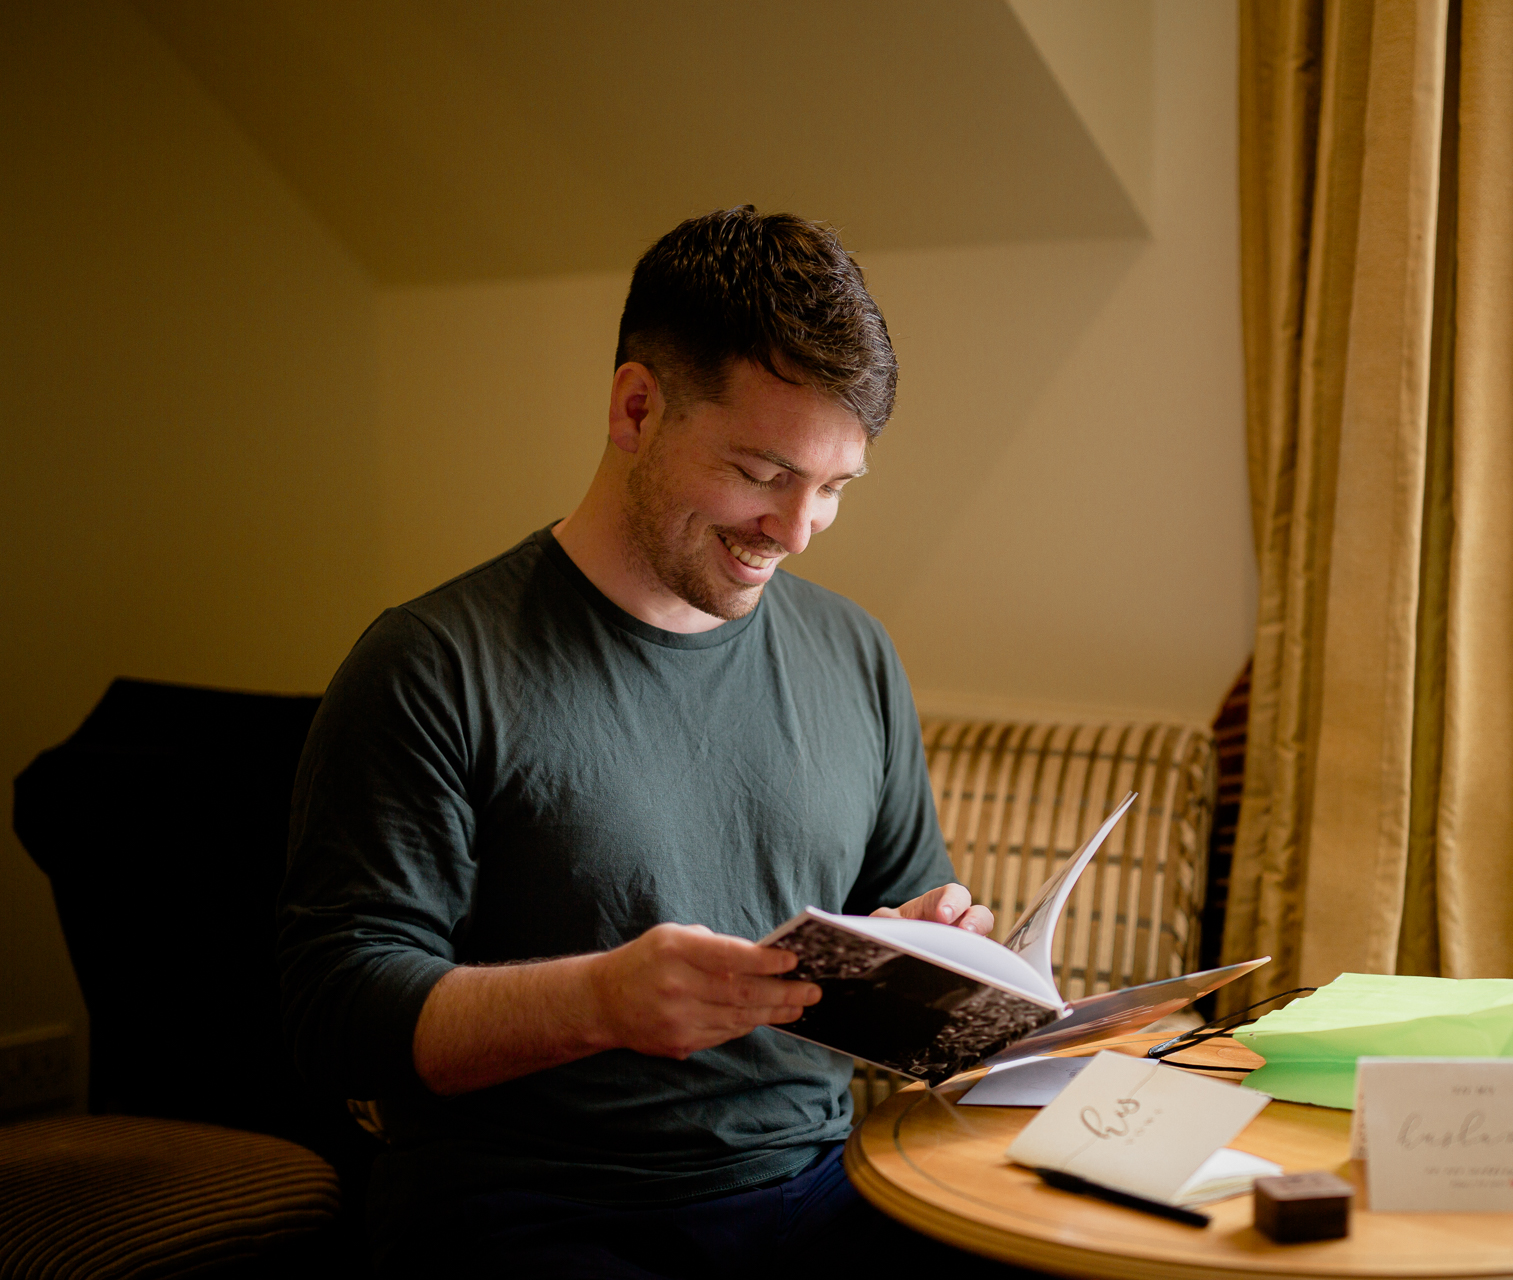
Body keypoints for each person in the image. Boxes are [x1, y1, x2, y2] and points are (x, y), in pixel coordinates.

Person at [278, 207, 1024, 1278]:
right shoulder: (430, 665)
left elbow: (907, 911)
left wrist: (933, 942)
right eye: (764, 473)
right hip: (532, 1210)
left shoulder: (853, 650)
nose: (797, 528)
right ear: (637, 407)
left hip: (826, 1187)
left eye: (835, 487)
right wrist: (600, 1002)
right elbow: (333, 1017)